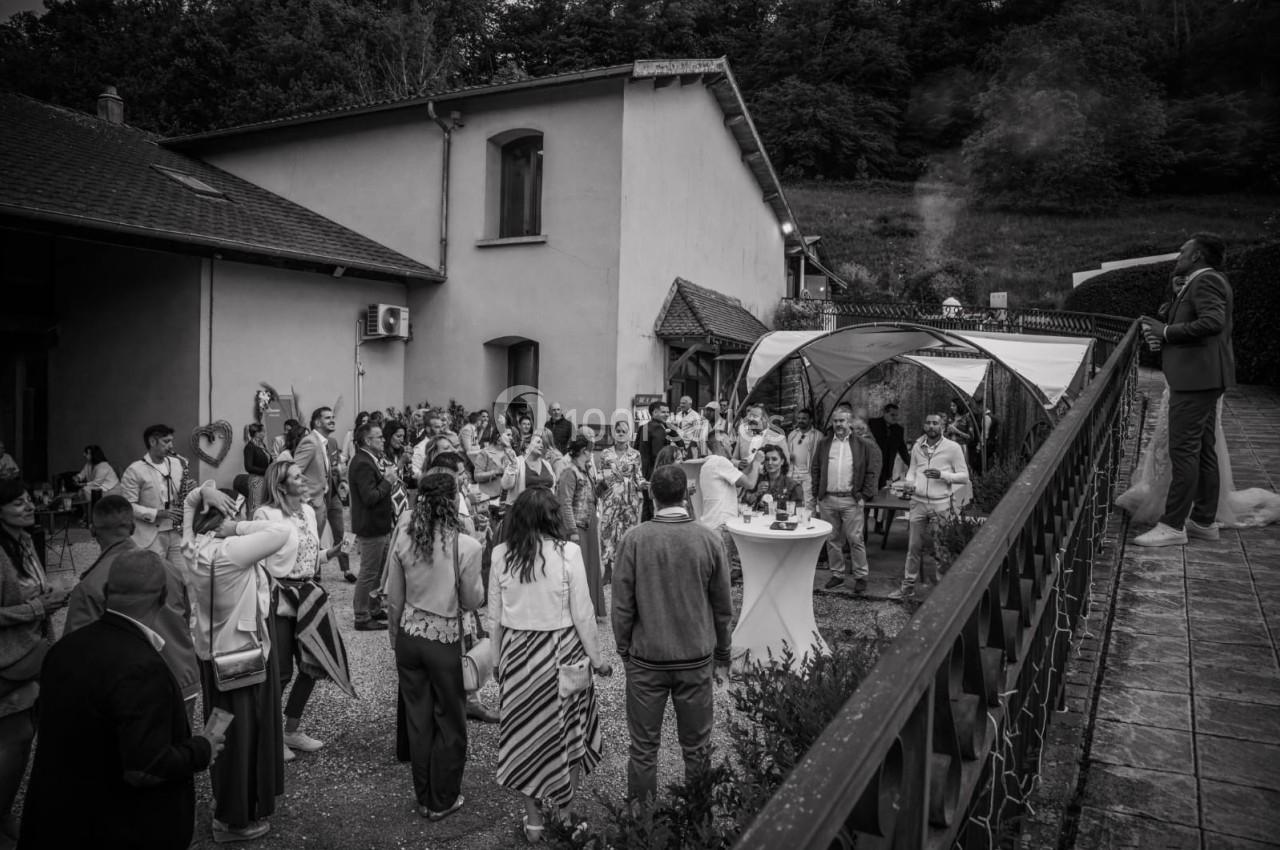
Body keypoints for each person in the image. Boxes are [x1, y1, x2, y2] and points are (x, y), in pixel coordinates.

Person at [19, 550, 224, 850]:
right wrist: (202, 748)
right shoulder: (142, 667)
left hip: (57, 818)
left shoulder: (63, 650)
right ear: (163, 597)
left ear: (105, 592)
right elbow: (146, 768)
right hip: (115, 827)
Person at [490, 488, 609, 842]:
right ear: (552, 518)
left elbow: (493, 615)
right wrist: (598, 660)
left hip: (518, 654)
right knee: (569, 733)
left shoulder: (500, 554)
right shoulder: (568, 552)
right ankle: (564, 811)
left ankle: (533, 821)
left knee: (523, 735)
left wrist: (497, 660)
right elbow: (583, 613)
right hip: (562, 653)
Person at [183, 480, 295, 844]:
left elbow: (188, 506)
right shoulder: (231, 550)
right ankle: (232, 821)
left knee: (223, 731)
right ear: (222, 520)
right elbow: (282, 530)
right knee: (244, 738)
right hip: (242, 657)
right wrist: (239, 527)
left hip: (212, 654)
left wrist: (202, 494)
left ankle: (229, 805)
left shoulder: (191, 547)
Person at [612, 465, 733, 804]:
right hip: (695, 658)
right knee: (697, 748)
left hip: (647, 660)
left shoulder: (635, 539)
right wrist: (723, 653)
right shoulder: (709, 539)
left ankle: (641, 828)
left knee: (643, 748)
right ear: (687, 494)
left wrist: (624, 650)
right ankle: (697, 825)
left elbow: (621, 606)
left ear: (652, 495)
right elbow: (723, 607)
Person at [384, 473, 483, 821]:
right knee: (451, 720)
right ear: (453, 501)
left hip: (410, 635)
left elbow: (393, 599)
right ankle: (442, 799)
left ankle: (424, 795)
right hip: (444, 641)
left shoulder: (405, 538)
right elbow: (473, 599)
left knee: (419, 720)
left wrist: (396, 638)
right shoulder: (466, 546)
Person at [1135, 233, 1238, 547]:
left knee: (1185, 452)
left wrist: (1164, 331)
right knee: (1204, 450)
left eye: (1184, 250)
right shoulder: (1200, 280)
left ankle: (1173, 525)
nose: (1178, 253)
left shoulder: (1206, 282)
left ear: (1197, 256)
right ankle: (1204, 521)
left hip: (1195, 380)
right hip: (1204, 377)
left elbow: (1212, 322)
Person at [64, 494, 202, 720]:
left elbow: (78, 654)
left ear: (92, 530)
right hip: (181, 676)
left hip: (133, 690)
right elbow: (185, 619)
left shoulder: (90, 585)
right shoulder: (168, 568)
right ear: (131, 527)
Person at [255, 460, 355, 762]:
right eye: (298, 476)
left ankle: (291, 730)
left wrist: (331, 554)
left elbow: (308, 556)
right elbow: (260, 561)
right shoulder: (266, 515)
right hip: (279, 598)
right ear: (281, 485)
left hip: (309, 594)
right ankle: (269, 737)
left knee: (313, 665)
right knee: (281, 672)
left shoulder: (309, 511)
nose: (305, 479)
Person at [0, 479, 67, 847]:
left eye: (28, 501)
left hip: (33, 650)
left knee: (25, 735)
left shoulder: (25, 542)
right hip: (8, 657)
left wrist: (48, 596)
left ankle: (7, 810)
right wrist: (36, 607)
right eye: (17, 504)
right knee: (16, 737)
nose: (28, 507)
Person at [1118, 387, 1280, 528]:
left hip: (1194, 379)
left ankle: (1182, 514)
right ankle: (1187, 507)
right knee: (1188, 442)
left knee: (1190, 445)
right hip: (1188, 378)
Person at [889, 412, 970, 602]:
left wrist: (943, 475)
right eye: (928, 423)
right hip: (917, 503)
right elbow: (912, 470)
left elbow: (964, 477)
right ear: (924, 425)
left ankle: (942, 593)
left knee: (941, 549)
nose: (931, 426)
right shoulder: (918, 446)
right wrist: (909, 482)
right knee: (913, 548)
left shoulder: (953, 448)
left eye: (935, 423)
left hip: (940, 504)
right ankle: (907, 588)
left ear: (942, 426)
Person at [812, 408, 881, 594]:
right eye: (835, 421)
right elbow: (816, 468)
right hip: (828, 499)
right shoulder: (824, 443)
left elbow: (871, 472)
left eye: (842, 421)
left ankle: (860, 576)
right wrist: (817, 494)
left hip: (852, 500)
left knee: (855, 539)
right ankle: (837, 575)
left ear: (849, 422)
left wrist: (864, 496)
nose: (838, 424)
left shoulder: (862, 444)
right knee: (832, 539)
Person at [350, 422, 399, 631]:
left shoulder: (371, 459)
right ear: (368, 441)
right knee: (368, 572)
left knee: (379, 571)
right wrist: (388, 481)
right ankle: (361, 616)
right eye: (379, 437)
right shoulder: (362, 462)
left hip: (381, 524)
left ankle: (374, 607)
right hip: (371, 526)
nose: (384, 439)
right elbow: (369, 497)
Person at [120, 424, 188, 573]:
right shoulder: (135, 470)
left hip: (177, 530)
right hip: (151, 534)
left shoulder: (177, 464)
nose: (171, 446)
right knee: (156, 576)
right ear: (152, 442)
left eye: (171, 441)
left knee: (184, 577)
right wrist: (157, 513)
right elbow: (127, 506)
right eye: (166, 441)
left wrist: (190, 489)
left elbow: (181, 493)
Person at [697, 432, 762, 582]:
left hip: (712, 523)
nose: (731, 443)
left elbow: (739, 477)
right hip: (722, 524)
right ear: (721, 442)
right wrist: (757, 462)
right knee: (723, 577)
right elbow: (750, 484)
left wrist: (751, 464)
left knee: (714, 574)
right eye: (728, 440)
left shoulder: (710, 463)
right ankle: (723, 605)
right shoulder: (721, 462)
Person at [557, 436, 604, 620]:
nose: (591, 453)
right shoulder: (570, 472)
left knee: (590, 565)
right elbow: (565, 503)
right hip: (578, 526)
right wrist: (572, 531)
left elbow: (591, 497)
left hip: (588, 524)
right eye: (590, 450)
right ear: (584, 451)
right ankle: (576, 611)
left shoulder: (585, 471)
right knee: (580, 567)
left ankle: (588, 608)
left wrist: (604, 486)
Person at [600, 420, 644, 585]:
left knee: (626, 532)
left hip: (629, 499)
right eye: (617, 430)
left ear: (629, 434)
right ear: (613, 433)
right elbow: (602, 475)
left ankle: (623, 569)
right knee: (607, 531)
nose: (620, 433)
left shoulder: (635, 454)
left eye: (623, 431)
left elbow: (638, 476)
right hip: (611, 498)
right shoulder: (605, 453)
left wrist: (643, 487)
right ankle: (608, 568)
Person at [294, 406, 335, 544]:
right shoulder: (310, 441)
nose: (332, 420)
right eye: (328, 418)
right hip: (311, 503)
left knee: (316, 544)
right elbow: (293, 471)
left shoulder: (324, 443)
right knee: (311, 544)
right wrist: (306, 499)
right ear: (317, 423)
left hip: (322, 501)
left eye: (333, 417)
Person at [745, 443, 805, 511]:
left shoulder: (793, 485)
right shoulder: (756, 480)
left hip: (781, 521)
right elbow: (745, 504)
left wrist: (775, 510)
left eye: (774, 459)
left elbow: (799, 511)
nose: (770, 462)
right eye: (767, 459)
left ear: (782, 461)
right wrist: (757, 493)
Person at [868, 404, 910, 489]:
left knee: (882, 494)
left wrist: (912, 465)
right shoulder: (872, 424)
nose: (895, 418)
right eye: (892, 415)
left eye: (896, 415)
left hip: (887, 470)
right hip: (872, 468)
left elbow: (903, 450)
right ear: (884, 413)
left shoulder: (898, 430)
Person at [785, 409, 820, 510]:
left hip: (808, 474)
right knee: (792, 502)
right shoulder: (792, 434)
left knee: (808, 503)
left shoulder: (817, 435)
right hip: (793, 473)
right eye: (799, 418)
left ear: (811, 420)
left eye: (804, 418)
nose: (801, 420)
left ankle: (809, 524)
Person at [243, 424, 272, 516]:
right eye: (262, 431)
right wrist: (266, 471)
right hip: (256, 480)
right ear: (256, 433)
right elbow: (248, 467)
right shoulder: (250, 447)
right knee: (255, 506)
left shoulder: (262, 445)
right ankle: (251, 526)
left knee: (263, 506)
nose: (264, 433)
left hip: (266, 479)